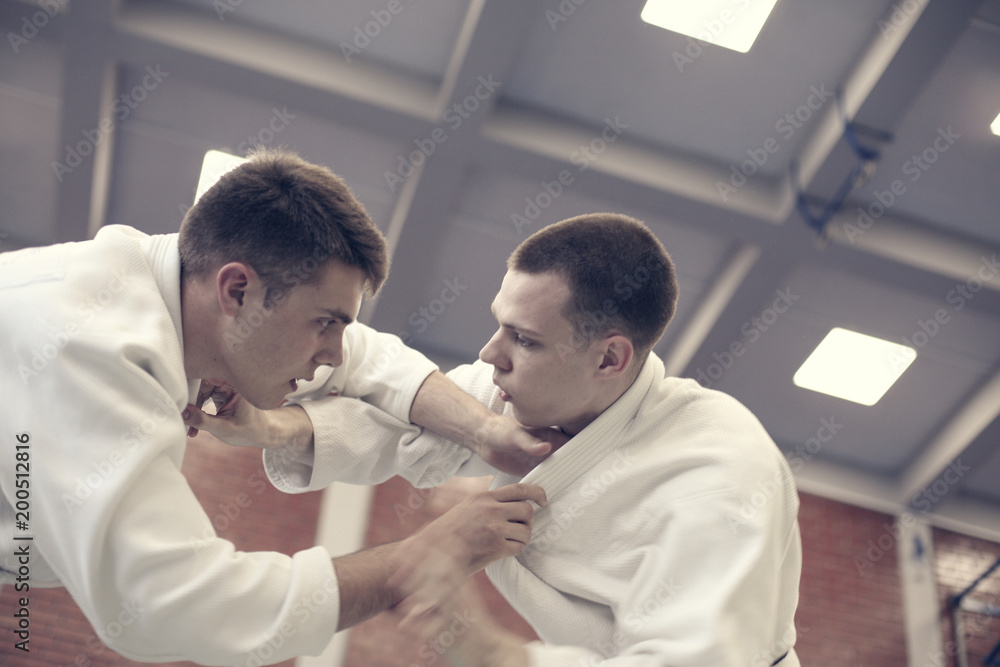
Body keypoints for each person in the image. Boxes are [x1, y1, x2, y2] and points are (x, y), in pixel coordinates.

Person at [0, 148, 552, 665]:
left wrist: (483, 430)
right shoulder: (86, 347)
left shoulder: (158, 286)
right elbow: (174, 604)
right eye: (325, 322)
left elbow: (364, 357)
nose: (334, 350)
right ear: (237, 291)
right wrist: (420, 555)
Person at [192, 212, 803, 666]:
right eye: (498, 325)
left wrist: (488, 651)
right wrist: (269, 426)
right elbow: (401, 419)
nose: (491, 355)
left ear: (611, 358)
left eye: (525, 340)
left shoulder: (719, 472)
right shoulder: (526, 389)